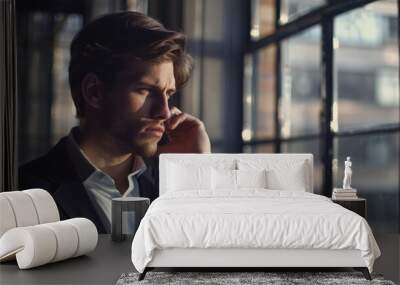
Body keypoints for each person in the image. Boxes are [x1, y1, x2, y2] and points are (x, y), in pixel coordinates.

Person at [18, 11, 211, 233]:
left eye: (168, 94)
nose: (164, 112)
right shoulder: (22, 192)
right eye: (146, 90)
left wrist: (198, 172)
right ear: (95, 92)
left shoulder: (172, 187)